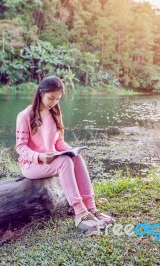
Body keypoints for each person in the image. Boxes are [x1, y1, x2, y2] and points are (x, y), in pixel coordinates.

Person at [15, 76, 115, 231]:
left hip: (51, 160)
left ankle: (91, 208)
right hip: (32, 164)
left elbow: (58, 142)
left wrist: (70, 150)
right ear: (41, 93)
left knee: (76, 159)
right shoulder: (25, 115)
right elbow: (20, 147)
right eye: (51, 98)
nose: (53, 103)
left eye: (57, 99)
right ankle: (80, 213)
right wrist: (39, 156)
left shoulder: (54, 113)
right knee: (65, 162)